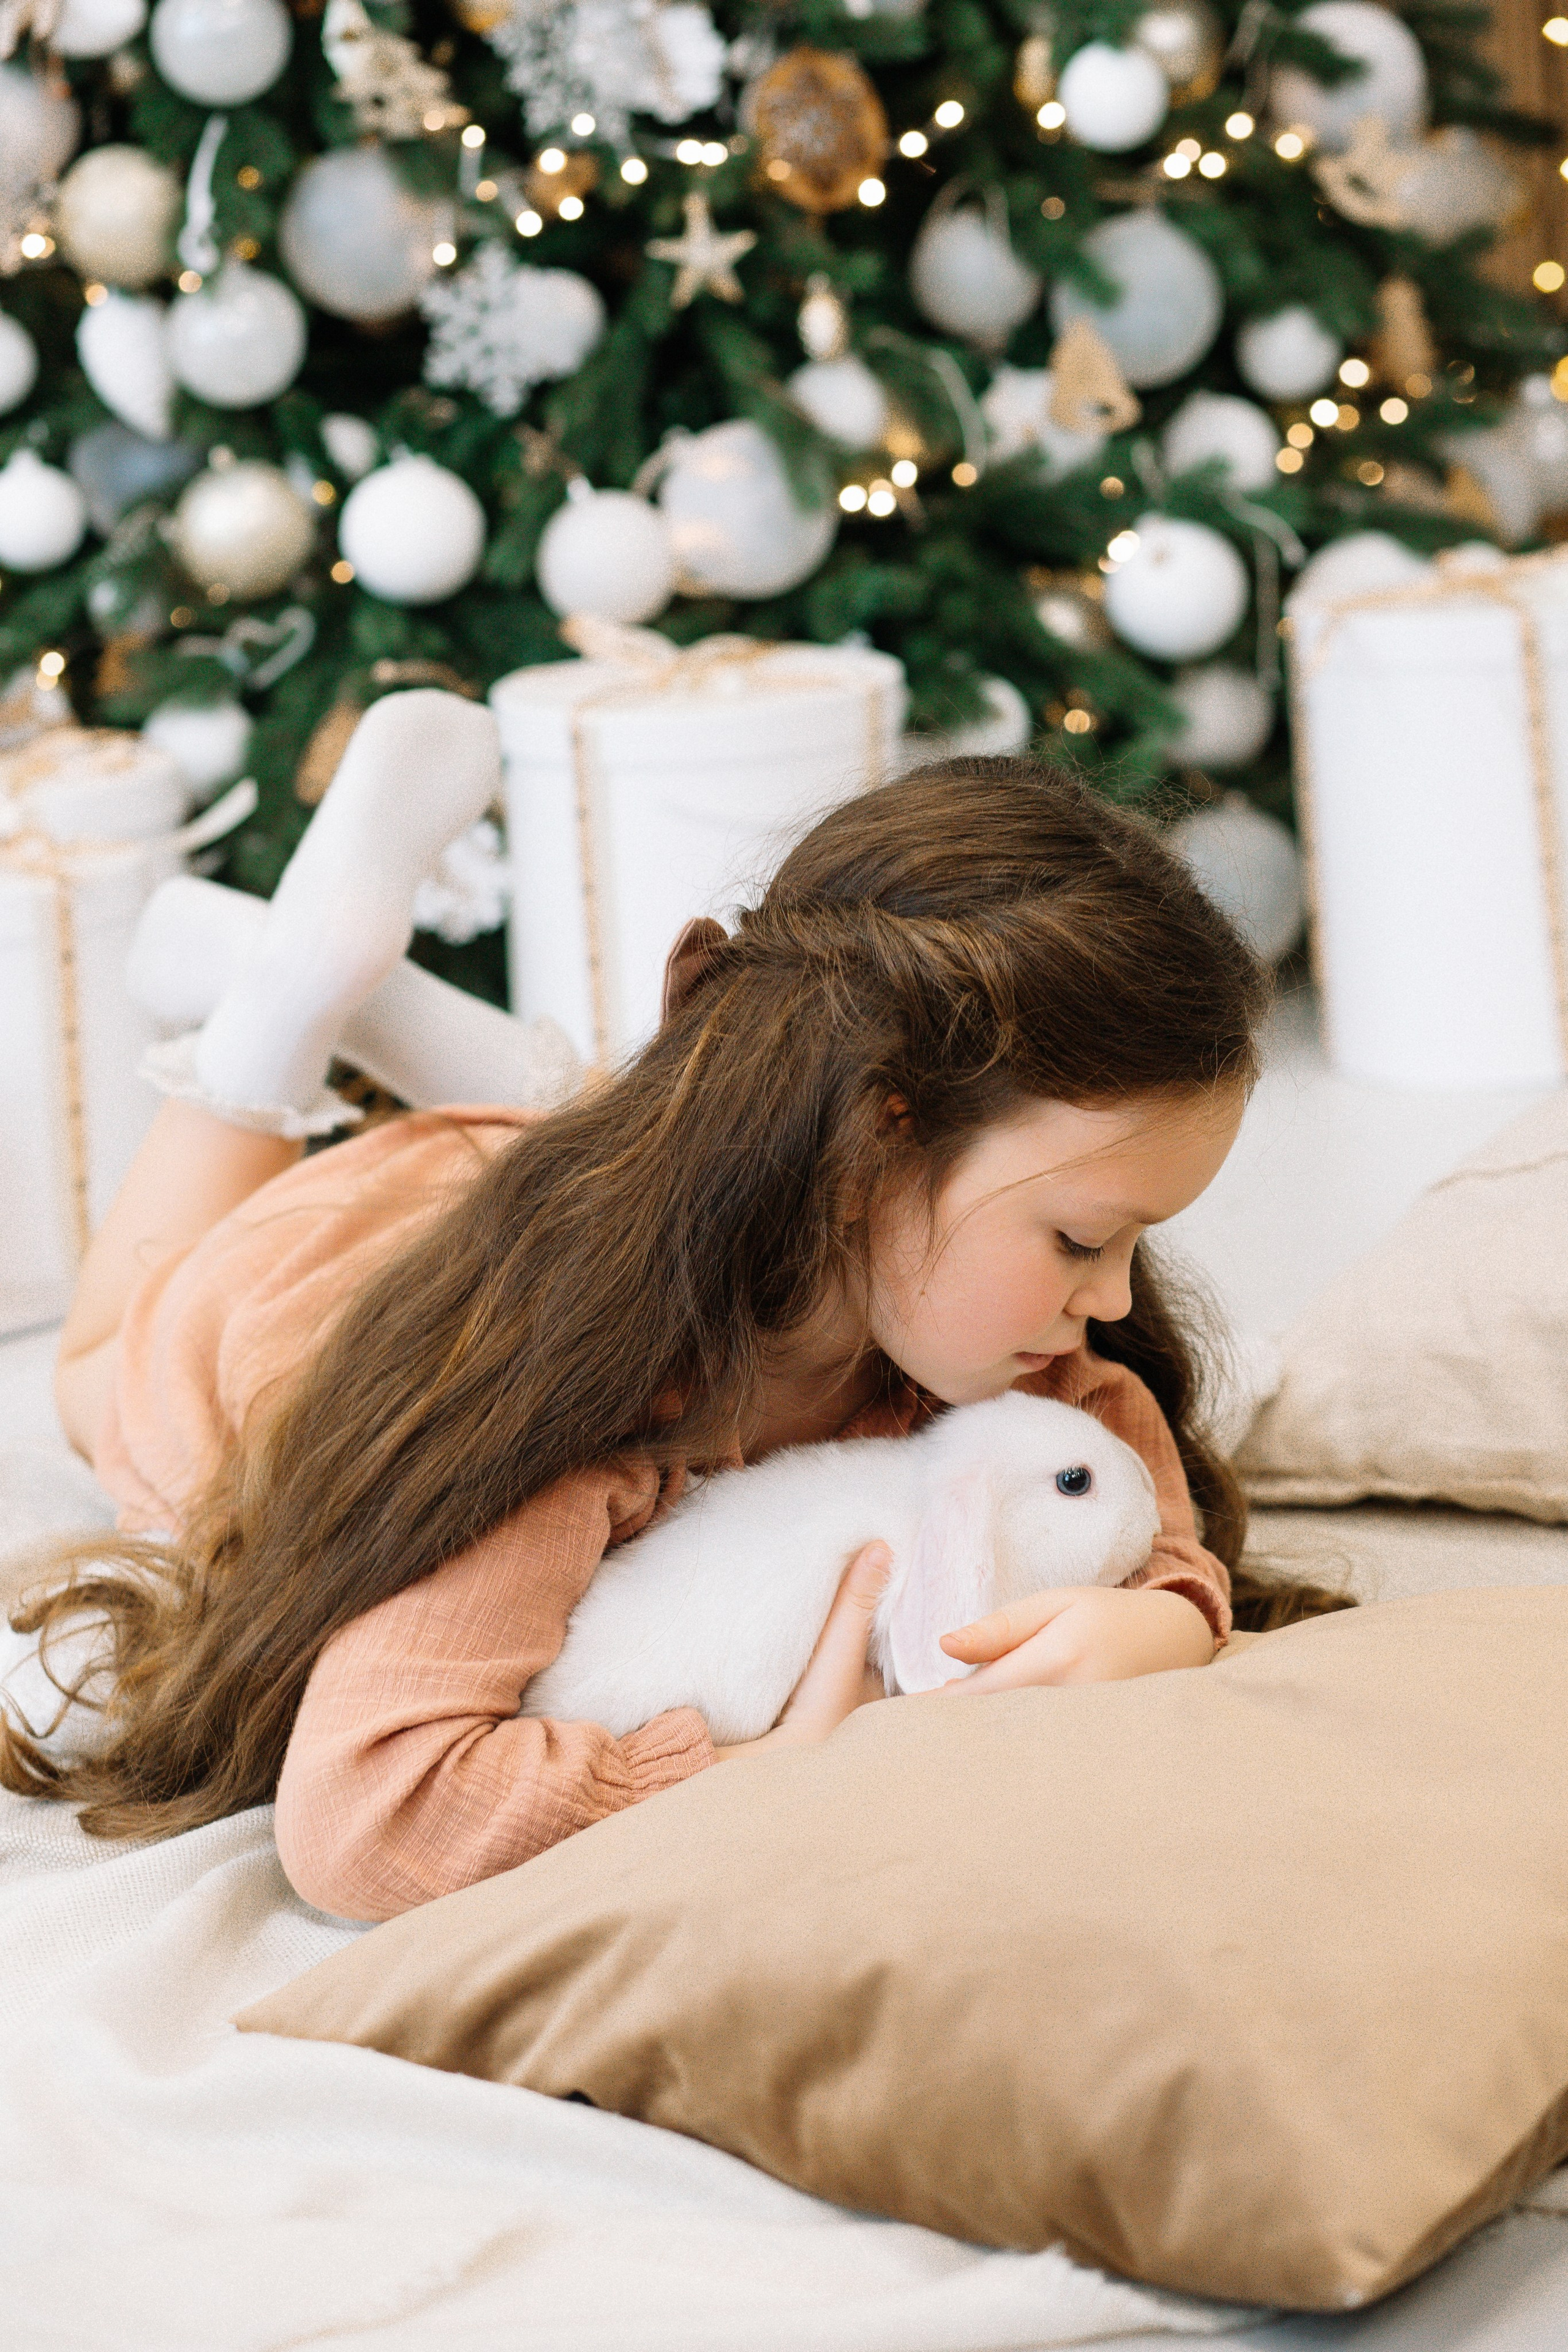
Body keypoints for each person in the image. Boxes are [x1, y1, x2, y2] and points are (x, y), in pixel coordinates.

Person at [2, 692, 1344, 1920]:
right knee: (100, 1368)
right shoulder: (572, 1414)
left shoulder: (993, 1344)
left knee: (626, 1152)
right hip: (330, 1280)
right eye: (1078, 1239)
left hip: (606, 1194)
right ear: (879, 1139)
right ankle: (287, 997)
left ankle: (480, 1053)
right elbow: (367, 1823)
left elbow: (1130, 1486)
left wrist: (1163, 1614)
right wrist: (743, 1764)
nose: (1106, 1307)